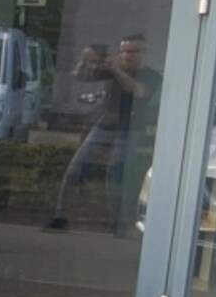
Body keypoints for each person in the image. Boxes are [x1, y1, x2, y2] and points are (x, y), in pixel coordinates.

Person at [43, 35, 161, 234]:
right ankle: (61, 217)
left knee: (117, 176)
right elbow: (79, 77)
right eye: (124, 51)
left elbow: (139, 92)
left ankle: (118, 223)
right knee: (75, 170)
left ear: (143, 53)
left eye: (133, 51)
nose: (127, 55)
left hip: (130, 130)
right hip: (104, 127)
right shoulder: (114, 69)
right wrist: (84, 61)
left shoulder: (151, 75)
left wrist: (116, 70)